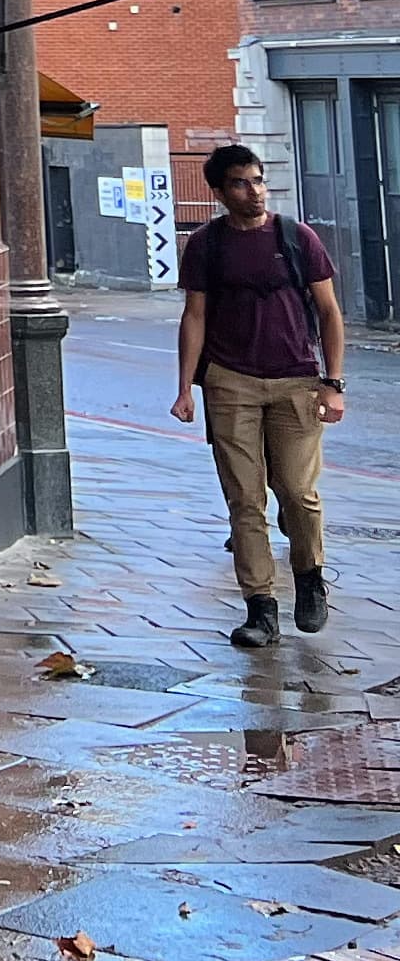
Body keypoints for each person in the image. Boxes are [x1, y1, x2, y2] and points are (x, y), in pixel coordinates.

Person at [172, 141, 348, 647]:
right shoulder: (206, 245)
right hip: (230, 381)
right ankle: (260, 609)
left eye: (258, 180)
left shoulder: (296, 237)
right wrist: (184, 388)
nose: (254, 192)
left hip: (296, 380)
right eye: (240, 183)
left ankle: (310, 578)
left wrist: (333, 383)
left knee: (296, 490)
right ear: (218, 192)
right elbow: (194, 316)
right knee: (244, 500)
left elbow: (329, 312)